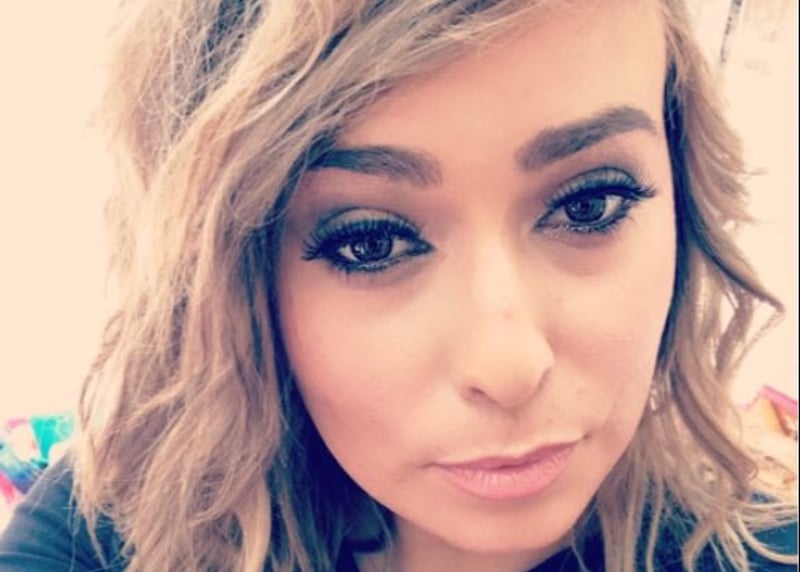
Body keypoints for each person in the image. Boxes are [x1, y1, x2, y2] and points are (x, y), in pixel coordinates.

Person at [0, 0, 796, 570]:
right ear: (228, 281)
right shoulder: (113, 534)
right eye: (371, 242)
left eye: (590, 205)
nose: (509, 366)